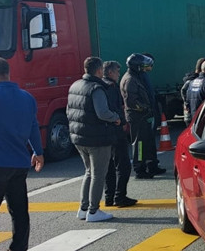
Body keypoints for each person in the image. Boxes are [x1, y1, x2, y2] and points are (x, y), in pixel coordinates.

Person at [0, 57, 44, 251]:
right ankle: (18, 250)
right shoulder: (27, 97)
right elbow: (33, 127)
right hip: (19, 163)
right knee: (19, 209)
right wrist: (38, 152)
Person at [68, 57, 121, 222]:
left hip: (79, 136)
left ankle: (83, 208)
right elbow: (102, 112)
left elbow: (69, 111)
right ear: (99, 71)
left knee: (89, 172)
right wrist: (116, 117)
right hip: (97, 137)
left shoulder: (75, 85)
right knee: (99, 174)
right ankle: (94, 210)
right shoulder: (97, 88)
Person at [121, 53, 162, 180]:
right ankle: (140, 169)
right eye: (143, 66)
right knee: (139, 144)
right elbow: (132, 102)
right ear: (137, 66)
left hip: (145, 115)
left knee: (149, 142)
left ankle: (152, 165)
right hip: (138, 117)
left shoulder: (138, 76)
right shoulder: (130, 80)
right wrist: (145, 108)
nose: (146, 68)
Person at [102, 61, 136, 208]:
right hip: (115, 131)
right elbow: (115, 107)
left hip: (105, 132)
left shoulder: (100, 85)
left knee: (109, 166)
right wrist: (121, 121)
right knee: (123, 165)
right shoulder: (111, 87)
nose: (118, 74)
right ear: (110, 72)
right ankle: (119, 196)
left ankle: (109, 196)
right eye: (116, 72)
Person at [181, 58, 205, 125]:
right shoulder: (192, 81)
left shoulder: (190, 80)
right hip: (192, 115)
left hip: (190, 114)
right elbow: (184, 94)